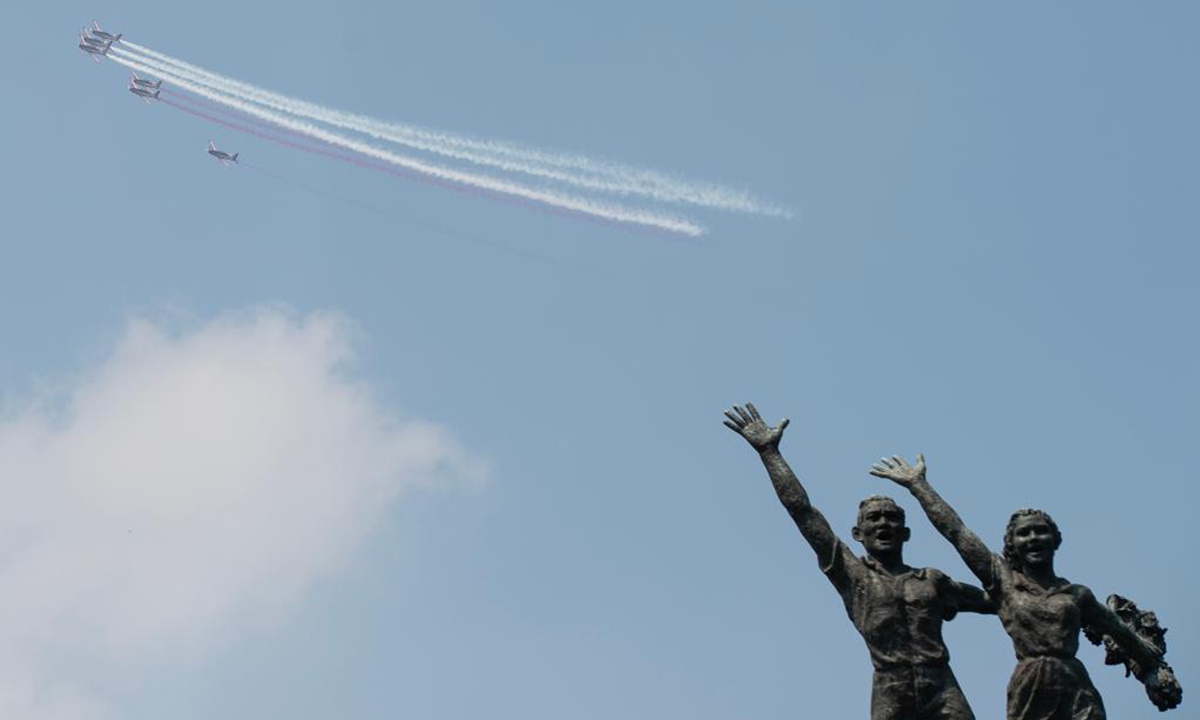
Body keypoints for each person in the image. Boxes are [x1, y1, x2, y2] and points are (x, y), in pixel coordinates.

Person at [724, 404, 994, 720]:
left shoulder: (932, 581)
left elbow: (1002, 600)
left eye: (892, 519)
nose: (884, 524)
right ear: (858, 533)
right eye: (874, 519)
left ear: (906, 533)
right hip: (890, 687)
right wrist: (770, 453)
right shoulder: (853, 576)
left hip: (941, 686)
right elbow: (803, 512)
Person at [869, 454, 1180, 719]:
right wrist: (918, 486)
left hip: (1076, 687)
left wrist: (1153, 667)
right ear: (1012, 546)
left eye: (1041, 532)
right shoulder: (1003, 583)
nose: (1033, 538)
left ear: (1055, 540)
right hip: (1030, 686)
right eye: (1024, 534)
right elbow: (957, 531)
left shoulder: (1077, 595)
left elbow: (1120, 632)